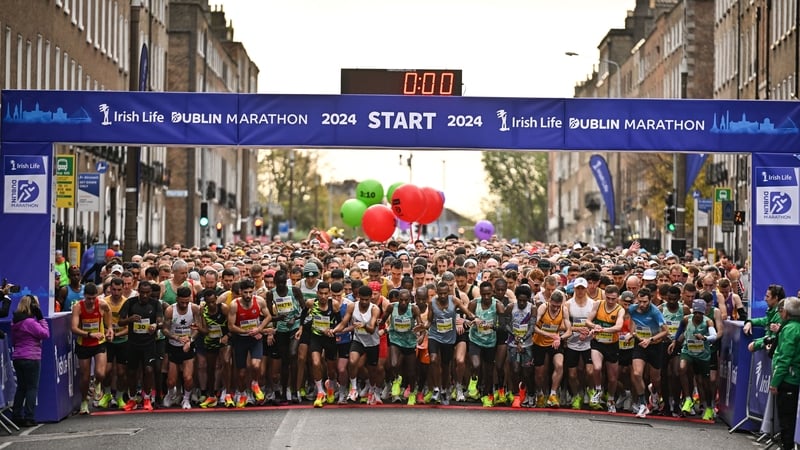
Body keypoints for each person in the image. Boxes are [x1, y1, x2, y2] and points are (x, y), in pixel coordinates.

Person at [670, 299, 717, 421]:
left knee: (704, 382)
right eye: (695, 312)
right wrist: (675, 341)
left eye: (700, 313)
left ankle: (709, 407)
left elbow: (714, 336)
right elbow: (680, 330)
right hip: (688, 351)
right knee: (682, 368)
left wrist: (704, 337)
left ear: (703, 313)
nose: (697, 315)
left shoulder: (708, 322)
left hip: (703, 355)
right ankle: (688, 399)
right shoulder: (686, 319)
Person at [71, 282, 114, 415]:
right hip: (83, 344)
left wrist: (110, 328)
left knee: (101, 373)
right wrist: (90, 334)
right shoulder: (78, 307)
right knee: (84, 378)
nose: (91, 301)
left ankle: (97, 383)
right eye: (88, 298)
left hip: (99, 342)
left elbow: (108, 311)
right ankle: (84, 401)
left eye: (93, 298)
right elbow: (74, 328)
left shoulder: (101, 304)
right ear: (84, 296)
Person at [161, 286, 203, 409]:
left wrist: (190, 340)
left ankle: (186, 399)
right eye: (182, 302)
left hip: (188, 345)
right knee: (171, 381)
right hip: (174, 345)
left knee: (188, 377)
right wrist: (176, 338)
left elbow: (197, 328)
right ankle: (170, 394)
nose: (184, 304)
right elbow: (165, 329)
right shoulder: (170, 310)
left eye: (187, 301)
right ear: (177, 298)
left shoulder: (194, 308)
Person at [11, 295, 49, 427]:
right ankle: (29, 416)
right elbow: (45, 334)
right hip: (31, 357)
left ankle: (16, 415)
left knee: (21, 387)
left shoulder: (15, 322)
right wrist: (41, 318)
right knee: (32, 388)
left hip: (18, 357)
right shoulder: (30, 323)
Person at [769, 296, 800, 450]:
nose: (780, 313)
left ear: (787, 312)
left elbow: (784, 358)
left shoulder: (789, 329)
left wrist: (775, 382)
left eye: (781, 310)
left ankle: (786, 446)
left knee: (786, 419)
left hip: (789, 379)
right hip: (794, 378)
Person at [744, 284, 786, 353]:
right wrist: (749, 322)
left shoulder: (780, 315)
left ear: (775, 298)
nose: (765, 299)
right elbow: (763, 320)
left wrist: (756, 344)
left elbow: (774, 339)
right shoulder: (772, 312)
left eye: (767, 296)